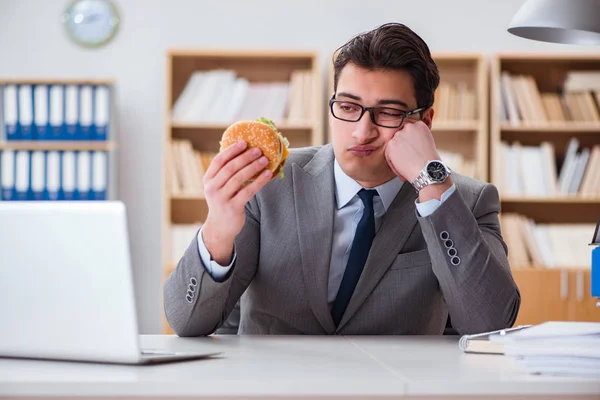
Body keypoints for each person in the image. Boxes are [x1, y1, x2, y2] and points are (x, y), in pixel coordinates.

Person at [164, 22, 520, 336]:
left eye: (388, 113)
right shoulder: (269, 183)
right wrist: (218, 230)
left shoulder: (468, 201)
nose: (362, 132)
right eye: (348, 108)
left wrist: (433, 184)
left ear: (424, 122)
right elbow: (185, 322)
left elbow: (490, 324)